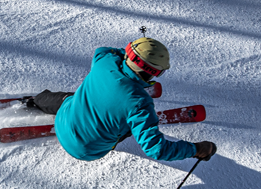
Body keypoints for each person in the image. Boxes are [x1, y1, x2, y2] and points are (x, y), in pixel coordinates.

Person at [25, 36, 216, 163]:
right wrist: (196, 149)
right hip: (89, 151)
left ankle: (36, 100)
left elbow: (102, 50)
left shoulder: (105, 61)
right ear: (154, 73)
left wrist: (128, 54)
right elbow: (157, 149)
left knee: (74, 98)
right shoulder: (140, 105)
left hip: (63, 121)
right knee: (129, 121)